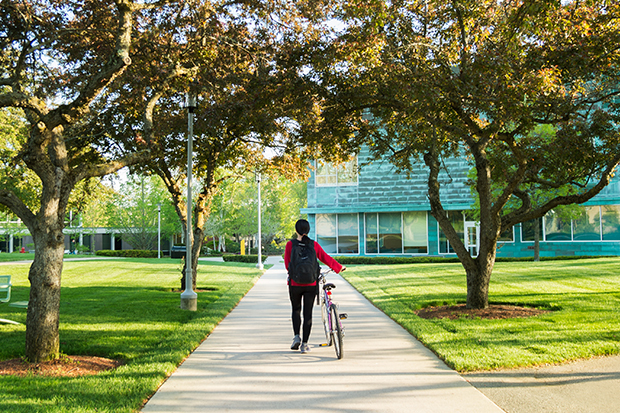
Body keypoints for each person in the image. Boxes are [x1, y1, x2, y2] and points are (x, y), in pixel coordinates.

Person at [284, 219, 345, 353]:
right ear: (308, 230)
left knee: (296, 310)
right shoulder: (314, 245)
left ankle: (296, 337)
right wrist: (339, 267)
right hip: (311, 284)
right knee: (308, 314)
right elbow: (325, 258)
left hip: (295, 284)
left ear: (296, 231)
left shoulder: (290, 244)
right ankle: (305, 345)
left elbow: (287, 264)